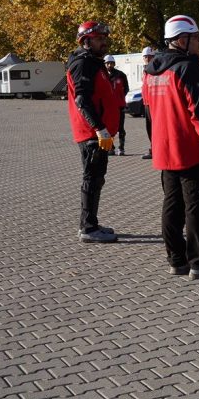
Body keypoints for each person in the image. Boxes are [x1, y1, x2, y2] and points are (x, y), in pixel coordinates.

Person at [144, 15, 199, 279]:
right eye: (196, 39)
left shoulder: (153, 71)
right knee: (196, 210)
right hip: (191, 151)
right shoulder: (187, 69)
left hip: (165, 150)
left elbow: (152, 113)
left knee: (172, 207)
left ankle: (177, 260)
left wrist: (198, 71)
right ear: (182, 40)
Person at [67, 21, 121, 243]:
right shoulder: (83, 64)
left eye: (104, 38)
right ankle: (87, 228)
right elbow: (82, 99)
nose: (104, 42)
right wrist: (99, 129)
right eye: (99, 39)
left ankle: (92, 222)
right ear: (86, 41)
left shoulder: (94, 62)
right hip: (92, 133)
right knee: (91, 178)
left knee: (97, 178)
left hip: (99, 132)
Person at [103, 55, 130, 155]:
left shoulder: (121, 75)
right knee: (109, 127)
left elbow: (126, 88)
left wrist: (120, 97)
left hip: (119, 106)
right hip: (108, 106)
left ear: (114, 64)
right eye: (107, 63)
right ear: (105, 64)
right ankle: (111, 147)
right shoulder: (103, 75)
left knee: (120, 128)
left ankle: (121, 148)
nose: (109, 65)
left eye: (111, 63)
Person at [141, 46, 156, 159]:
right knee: (149, 127)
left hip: (154, 103)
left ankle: (156, 150)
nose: (147, 58)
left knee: (155, 128)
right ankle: (153, 148)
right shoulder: (145, 70)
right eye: (145, 56)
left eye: (150, 56)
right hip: (146, 103)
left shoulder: (156, 69)